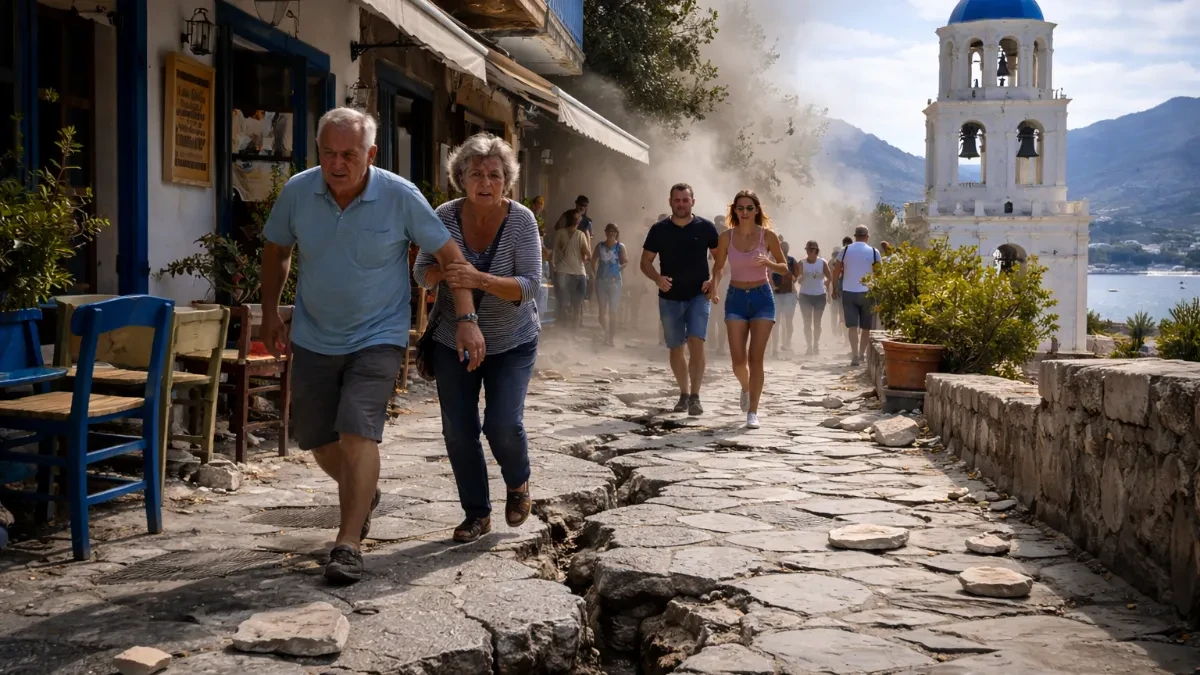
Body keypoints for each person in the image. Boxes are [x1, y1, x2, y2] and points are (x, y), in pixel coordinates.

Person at [261, 108, 483, 584]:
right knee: (316, 437)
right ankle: (362, 492)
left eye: (349, 154)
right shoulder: (298, 192)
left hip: (378, 336)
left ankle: (347, 543)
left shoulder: (400, 197)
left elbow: (450, 257)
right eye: (328, 153)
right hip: (314, 333)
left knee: (357, 431)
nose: (337, 164)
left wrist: (466, 319)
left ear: (371, 154)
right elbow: (277, 250)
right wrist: (268, 312)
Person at [413, 133, 542, 544]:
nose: (485, 183)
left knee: (503, 423)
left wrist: (477, 278)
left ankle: (518, 483)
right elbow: (421, 271)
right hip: (453, 337)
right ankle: (476, 513)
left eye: (494, 175)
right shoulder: (444, 216)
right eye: (476, 174)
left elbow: (529, 285)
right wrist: (439, 274)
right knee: (458, 430)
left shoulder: (521, 220)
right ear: (460, 178)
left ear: (507, 180)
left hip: (512, 339)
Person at [711, 190, 789, 429]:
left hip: (762, 297)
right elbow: (719, 266)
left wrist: (769, 263)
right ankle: (746, 387)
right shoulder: (726, 237)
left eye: (749, 208)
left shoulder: (768, 236)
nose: (744, 212)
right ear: (734, 210)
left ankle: (753, 411)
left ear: (757, 211)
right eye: (740, 208)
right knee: (737, 361)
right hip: (735, 297)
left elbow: (785, 268)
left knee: (756, 359)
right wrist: (713, 287)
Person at [642, 185, 719, 416]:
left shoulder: (706, 228)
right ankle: (684, 394)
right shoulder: (659, 229)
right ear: (670, 202)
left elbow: (720, 260)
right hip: (670, 298)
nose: (681, 204)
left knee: (697, 342)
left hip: (698, 295)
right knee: (676, 348)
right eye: (677, 200)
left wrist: (713, 281)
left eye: (686, 200)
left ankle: (695, 396)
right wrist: (657, 278)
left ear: (693, 201)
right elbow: (645, 261)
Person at [832, 225, 882, 366]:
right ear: (867, 236)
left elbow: (836, 270)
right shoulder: (874, 252)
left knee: (852, 326)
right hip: (868, 293)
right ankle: (861, 355)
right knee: (866, 327)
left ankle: (854, 354)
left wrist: (834, 288)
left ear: (855, 236)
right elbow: (879, 274)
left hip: (849, 292)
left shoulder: (845, 250)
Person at [552, 210, 590, 329]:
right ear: (578, 222)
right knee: (576, 305)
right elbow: (587, 253)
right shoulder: (580, 235)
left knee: (563, 303)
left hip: (563, 271)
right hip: (577, 272)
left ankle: (565, 330)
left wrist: (553, 266)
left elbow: (553, 253)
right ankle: (572, 330)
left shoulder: (560, 233)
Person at [592, 223, 628, 346]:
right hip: (601, 280)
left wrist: (618, 268)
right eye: (609, 231)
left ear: (616, 233)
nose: (611, 233)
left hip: (615, 282)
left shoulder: (620, 247)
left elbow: (625, 261)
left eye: (613, 231)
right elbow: (593, 259)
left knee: (613, 311)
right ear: (606, 232)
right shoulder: (600, 246)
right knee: (602, 312)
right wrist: (594, 271)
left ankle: (610, 338)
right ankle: (606, 333)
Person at [798, 240, 834, 355]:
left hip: (819, 295)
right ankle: (809, 346)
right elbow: (798, 277)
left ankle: (816, 344)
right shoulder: (802, 263)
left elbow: (830, 277)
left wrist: (826, 283)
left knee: (817, 323)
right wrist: (800, 278)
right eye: (808, 250)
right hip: (805, 296)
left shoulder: (822, 262)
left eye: (812, 250)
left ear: (816, 251)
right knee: (807, 322)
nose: (809, 252)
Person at [769, 240, 799, 357]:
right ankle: (776, 347)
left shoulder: (791, 260)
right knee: (776, 322)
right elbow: (769, 275)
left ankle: (786, 343)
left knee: (788, 321)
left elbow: (797, 274)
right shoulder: (773, 260)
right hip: (777, 294)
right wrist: (774, 285)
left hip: (788, 294)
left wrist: (792, 279)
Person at [709, 215, 732, 355]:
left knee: (721, 315)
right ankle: (713, 343)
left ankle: (720, 345)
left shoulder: (730, 244)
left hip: (725, 282)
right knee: (711, 314)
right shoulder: (708, 243)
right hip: (709, 281)